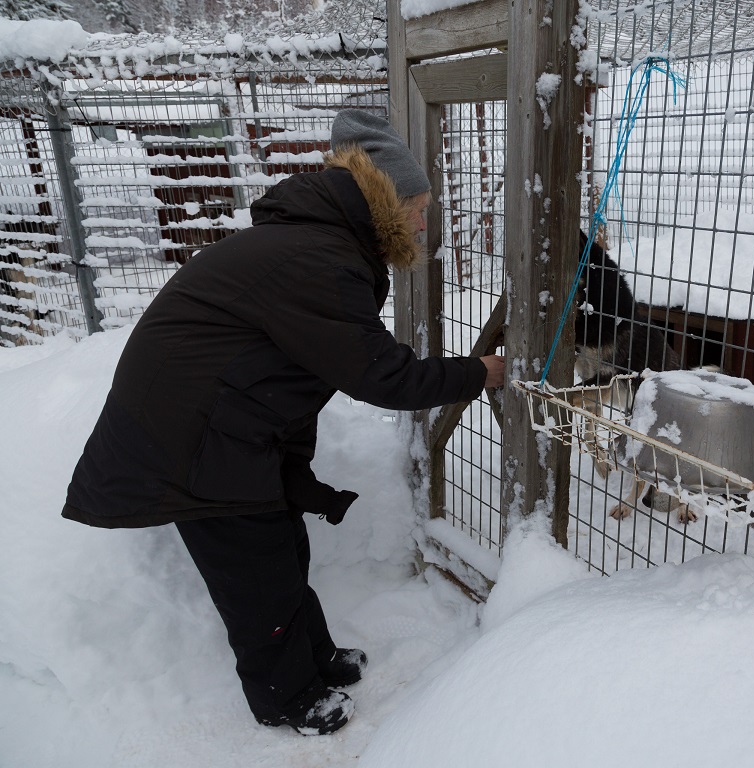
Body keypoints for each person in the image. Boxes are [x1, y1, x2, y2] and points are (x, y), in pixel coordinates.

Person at [61, 109, 505, 736]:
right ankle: (286, 698)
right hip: (189, 446)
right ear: (389, 202)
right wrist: (478, 372)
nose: (424, 222)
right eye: (420, 208)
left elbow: (295, 369)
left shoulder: (317, 244)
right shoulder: (317, 258)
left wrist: (288, 466)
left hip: (227, 431)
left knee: (284, 547)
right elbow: (383, 375)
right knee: (256, 575)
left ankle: (314, 660)